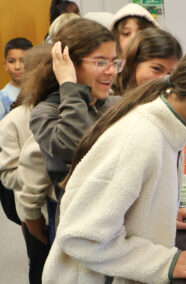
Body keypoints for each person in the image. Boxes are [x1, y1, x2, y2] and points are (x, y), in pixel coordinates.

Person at [42, 34, 186, 283]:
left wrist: (157, 214)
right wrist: (164, 262)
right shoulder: (142, 138)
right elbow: (81, 236)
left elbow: (120, 202)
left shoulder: (169, 128)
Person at [28, 18, 123, 244]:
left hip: (120, 221)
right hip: (81, 230)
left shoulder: (115, 105)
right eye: (100, 62)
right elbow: (74, 147)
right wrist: (69, 86)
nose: (111, 72)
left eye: (115, 62)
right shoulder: (45, 112)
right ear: (69, 63)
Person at [0, 44, 54, 284]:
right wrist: (39, 175)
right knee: (41, 268)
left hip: (68, 214)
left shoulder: (75, 111)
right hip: (35, 216)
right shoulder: (14, 121)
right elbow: (8, 175)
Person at [113, 27, 182, 95]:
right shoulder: (108, 98)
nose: (164, 79)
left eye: (169, 74)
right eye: (157, 69)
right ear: (134, 63)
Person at [0, 37, 33, 119]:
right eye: (11, 61)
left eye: (23, 60)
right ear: (5, 65)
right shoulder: (3, 98)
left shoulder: (42, 90)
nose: (17, 67)